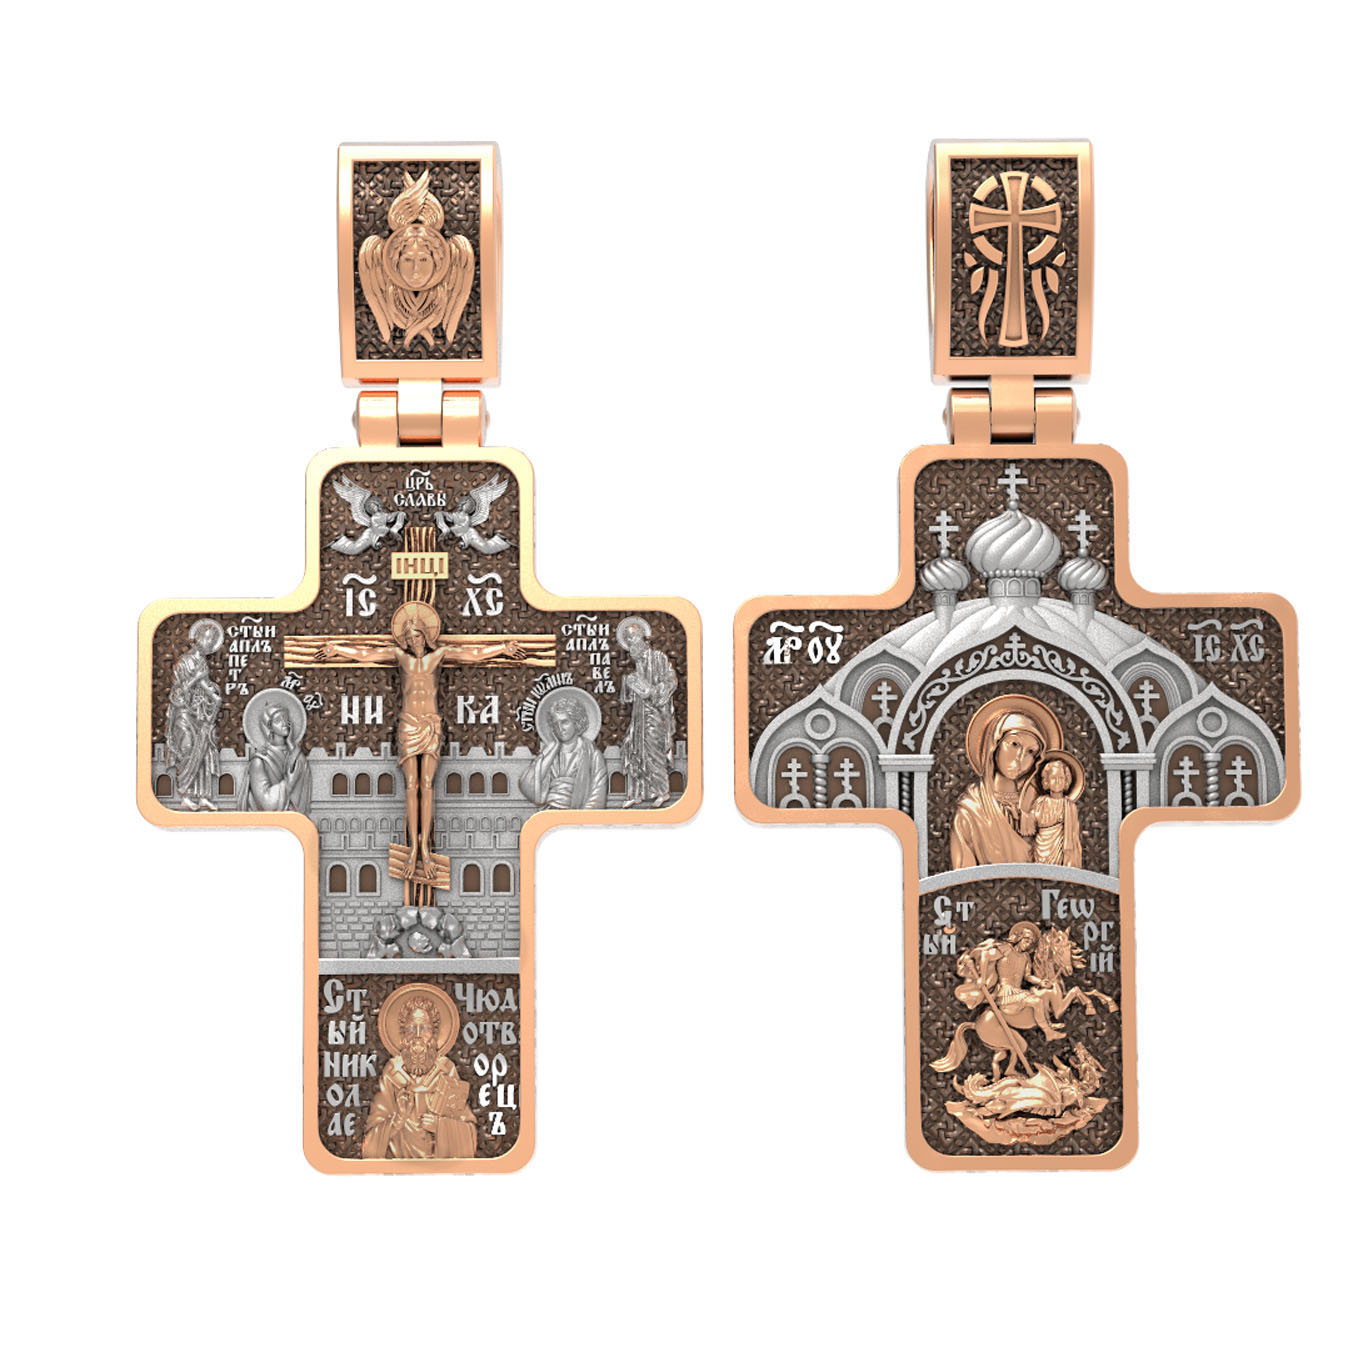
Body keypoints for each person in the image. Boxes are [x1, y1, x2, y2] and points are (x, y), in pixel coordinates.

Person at [362, 993, 477, 1160]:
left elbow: (468, 1133)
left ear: (434, 1034)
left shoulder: (446, 1070)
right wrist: (397, 1121)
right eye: (411, 1028)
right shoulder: (392, 1073)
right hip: (397, 1167)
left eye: (424, 1028)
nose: (417, 1035)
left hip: (441, 1168)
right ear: (403, 1034)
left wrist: (440, 1126)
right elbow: (371, 1142)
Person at [949, 710, 1044, 868]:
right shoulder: (971, 810)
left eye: (1030, 752)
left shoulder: (1039, 803)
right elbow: (962, 876)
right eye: (1014, 744)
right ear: (994, 744)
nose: (1021, 757)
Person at [618, 617, 677, 808]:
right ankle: (636, 794)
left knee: (653, 752)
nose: (630, 642)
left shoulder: (658, 658)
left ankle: (662, 792)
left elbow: (671, 681)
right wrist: (628, 686)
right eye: (627, 639)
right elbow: (627, 699)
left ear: (643, 637)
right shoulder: (633, 664)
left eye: (633, 637)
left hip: (655, 714)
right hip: (638, 716)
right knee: (634, 750)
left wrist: (652, 691)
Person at [519, 693, 607, 810]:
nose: (560, 728)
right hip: (548, 815)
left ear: (576, 722)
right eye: (556, 724)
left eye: (565, 722)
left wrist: (576, 819)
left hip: (578, 818)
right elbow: (528, 787)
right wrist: (554, 748)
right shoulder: (548, 754)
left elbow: (597, 797)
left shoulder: (593, 756)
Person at [238, 699, 311, 814]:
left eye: (285, 718)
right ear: (269, 727)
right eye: (278, 720)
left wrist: (291, 744)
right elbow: (266, 803)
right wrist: (289, 783)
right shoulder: (259, 761)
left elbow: (303, 773)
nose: (284, 723)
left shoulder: (294, 755)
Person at [1032, 754, 1082, 867]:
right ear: (1046, 781)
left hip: (1060, 849)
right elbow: (1031, 823)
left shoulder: (1069, 806)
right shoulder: (1040, 802)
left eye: (1061, 778)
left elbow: (1074, 836)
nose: (1057, 782)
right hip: (1041, 846)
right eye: (1053, 778)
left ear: (1066, 781)